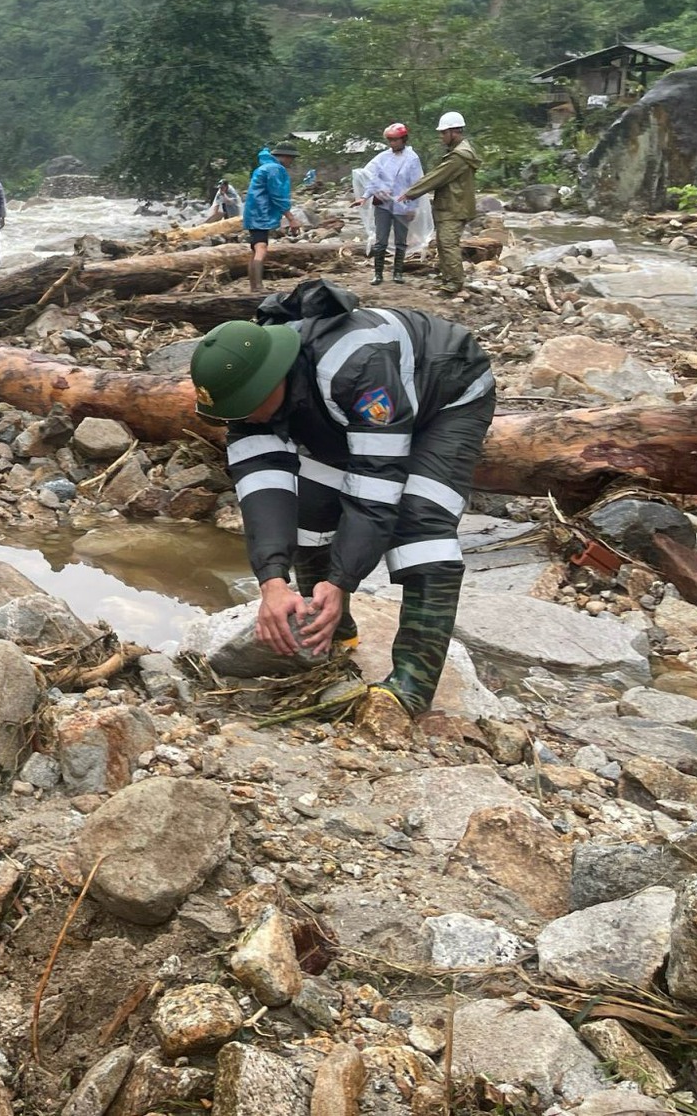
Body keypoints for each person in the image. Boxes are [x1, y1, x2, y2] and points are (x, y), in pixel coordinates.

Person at [189, 279, 497, 730]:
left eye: (249, 408)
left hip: (447, 394)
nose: (245, 419)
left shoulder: (356, 365)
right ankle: (333, 628)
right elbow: (262, 489)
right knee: (308, 510)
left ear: (274, 377)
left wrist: (342, 578)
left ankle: (412, 682)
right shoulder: (248, 397)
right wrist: (272, 581)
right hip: (340, 409)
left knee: (420, 525)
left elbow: (376, 484)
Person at [403, 112, 480, 294]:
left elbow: (436, 177)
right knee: (442, 244)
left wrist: (410, 193)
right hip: (451, 206)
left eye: (443, 133)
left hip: (455, 207)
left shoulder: (459, 156)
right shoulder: (458, 153)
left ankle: (454, 283)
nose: (441, 137)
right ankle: (448, 278)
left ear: (454, 132)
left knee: (448, 244)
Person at [363, 123, 424, 285]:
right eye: (390, 140)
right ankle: (378, 274)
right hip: (383, 204)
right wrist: (364, 196)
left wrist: (412, 207)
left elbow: (416, 184)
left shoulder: (412, 159)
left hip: (402, 205)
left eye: (395, 140)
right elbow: (373, 178)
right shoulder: (383, 157)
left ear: (403, 139)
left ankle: (398, 272)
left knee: (401, 241)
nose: (392, 143)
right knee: (380, 240)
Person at [241, 142, 296, 293]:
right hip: (261, 213)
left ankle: (254, 286)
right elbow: (277, 195)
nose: (291, 162)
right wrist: (291, 218)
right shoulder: (274, 169)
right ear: (284, 156)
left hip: (253, 213)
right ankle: (258, 286)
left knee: (256, 248)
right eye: (291, 158)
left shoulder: (264, 167)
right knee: (261, 248)